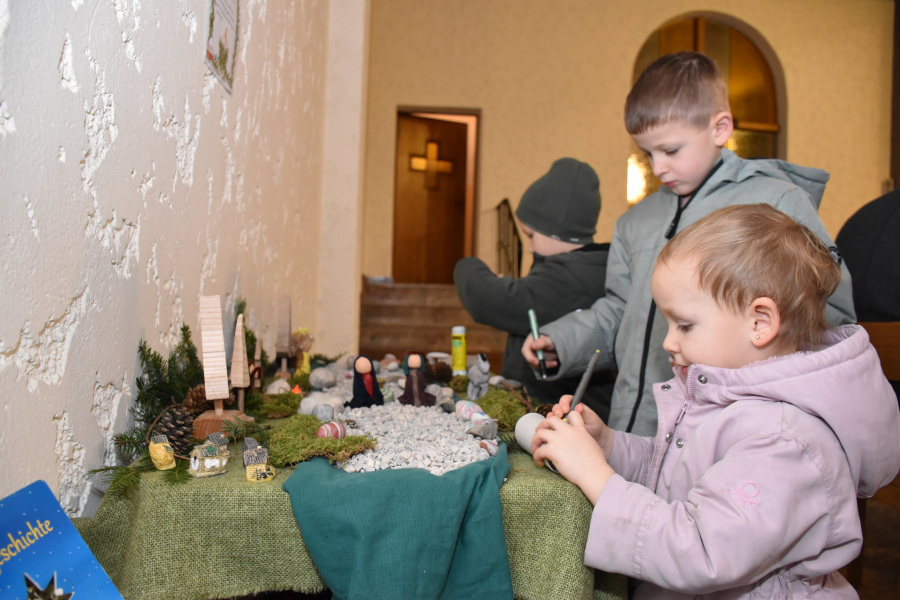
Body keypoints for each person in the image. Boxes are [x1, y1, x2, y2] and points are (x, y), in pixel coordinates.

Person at [532, 204, 900, 599]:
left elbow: (699, 552)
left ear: (760, 323)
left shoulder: (784, 441)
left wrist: (593, 474)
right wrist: (606, 446)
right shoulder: (726, 401)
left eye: (684, 325)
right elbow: (672, 474)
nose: (668, 342)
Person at [523, 51, 855, 435]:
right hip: (634, 428)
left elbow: (828, 315)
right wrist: (563, 341)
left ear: (720, 129)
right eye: (647, 153)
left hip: (727, 430)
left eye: (671, 150)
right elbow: (620, 312)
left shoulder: (777, 203)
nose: (658, 167)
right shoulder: (635, 222)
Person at [455, 157, 616, 420]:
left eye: (531, 235)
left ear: (556, 231)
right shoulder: (586, 269)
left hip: (559, 417)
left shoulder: (568, 278)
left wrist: (466, 264)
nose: (529, 247)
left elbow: (487, 299)